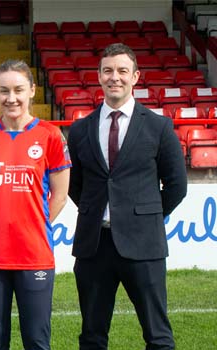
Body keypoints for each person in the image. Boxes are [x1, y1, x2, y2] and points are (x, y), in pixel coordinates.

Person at [67, 43, 188, 350]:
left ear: (136, 76)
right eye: (108, 70)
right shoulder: (80, 129)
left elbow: (176, 185)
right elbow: (74, 183)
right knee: (92, 336)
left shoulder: (159, 126)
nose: (114, 77)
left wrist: (142, 216)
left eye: (122, 71)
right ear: (98, 76)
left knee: (158, 335)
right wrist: (99, 212)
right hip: (94, 247)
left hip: (144, 244)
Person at [0, 59, 71, 350]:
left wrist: (31, 223)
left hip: (34, 253)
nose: (11, 98)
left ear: (32, 91)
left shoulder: (50, 135)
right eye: (4, 91)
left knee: (36, 341)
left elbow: (60, 196)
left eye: (18, 90)